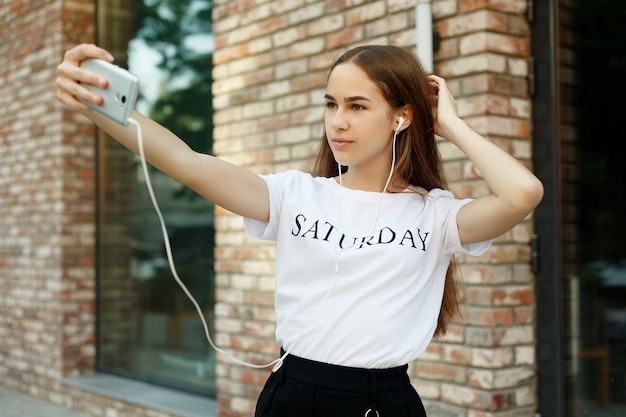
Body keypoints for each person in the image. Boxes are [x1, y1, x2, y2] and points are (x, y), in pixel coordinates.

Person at [56, 43, 544, 417]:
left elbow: (522, 193)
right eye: (331, 104)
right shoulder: (296, 195)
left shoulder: (435, 215)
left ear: (402, 116)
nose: (338, 122)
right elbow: (187, 163)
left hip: (383, 399)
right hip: (294, 394)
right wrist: (96, 102)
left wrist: (451, 125)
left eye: (357, 106)